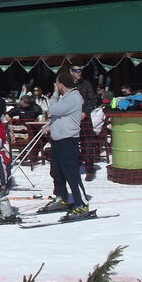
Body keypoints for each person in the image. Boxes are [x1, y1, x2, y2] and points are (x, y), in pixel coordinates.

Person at [39, 71, 90, 219]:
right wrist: (50, 125)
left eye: (57, 84)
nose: (56, 86)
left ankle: (82, 203)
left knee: (71, 172)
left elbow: (53, 109)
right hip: (58, 139)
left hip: (68, 140)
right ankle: (61, 197)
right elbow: (58, 115)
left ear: (60, 84)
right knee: (56, 171)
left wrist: (54, 94)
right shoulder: (66, 98)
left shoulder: (73, 97)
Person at [71, 65, 100, 181]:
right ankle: (74, 166)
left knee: (87, 145)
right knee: (72, 144)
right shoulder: (67, 85)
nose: (79, 73)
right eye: (77, 71)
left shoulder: (86, 84)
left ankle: (89, 169)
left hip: (84, 119)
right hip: (71, 120)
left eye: (81, 71)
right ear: (71, 72)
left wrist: (85, 113)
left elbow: (93, 100)